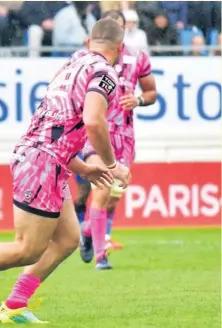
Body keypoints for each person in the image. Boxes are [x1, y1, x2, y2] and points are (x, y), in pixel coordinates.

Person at [0, 18, 130, 323]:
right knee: (27, 249)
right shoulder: (104, 73)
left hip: (48, 159)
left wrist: (82, 166)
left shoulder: (72, 64)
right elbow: (94, 121)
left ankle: (16, 303)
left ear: (89, 42)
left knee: (69, 239)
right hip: (42, 163)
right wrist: (112, 164)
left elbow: (56, 124)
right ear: (120, 48)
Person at [71, 10, 157, 269]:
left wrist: (139, 100)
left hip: (124, 135)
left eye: (118, 28)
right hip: (93, 133)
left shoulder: (138, 58)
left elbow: (152, 92)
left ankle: (87, 231)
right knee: (101, 189)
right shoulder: (81, 58)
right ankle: (101, 256)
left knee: (112, 199)